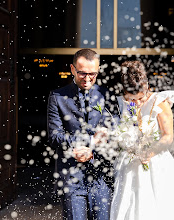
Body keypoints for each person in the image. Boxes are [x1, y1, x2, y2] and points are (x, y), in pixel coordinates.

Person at [110, 61, 174, 220]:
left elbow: (168, 136)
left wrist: (150, 151)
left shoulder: (159, 101)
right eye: (132, 99)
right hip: (128, 166)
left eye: (141, 98)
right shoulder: (118, 103)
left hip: (157, 163)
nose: (138, 103)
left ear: (146, 87)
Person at [47, 49, 119, 220]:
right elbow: (55, 136)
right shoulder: (57, 97)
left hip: (102, 176)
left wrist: (98, 145)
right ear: (72, 69)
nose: (87, 79)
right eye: (82, 73)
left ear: (98, 70)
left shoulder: (107, 96)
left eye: (92, 74)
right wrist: (86, 142)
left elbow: (115, 131)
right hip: (71, 177)